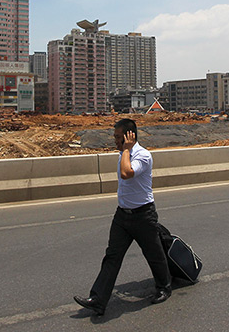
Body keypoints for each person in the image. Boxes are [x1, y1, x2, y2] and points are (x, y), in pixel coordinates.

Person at [74, 118, 171, 315]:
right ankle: (98, 300)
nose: (115, 141)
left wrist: (126, 149)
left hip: (143, 215)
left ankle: (164, 287)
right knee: (112, 256)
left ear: (130, 136)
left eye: (119, 137)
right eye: (115, 137)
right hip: (122, 216)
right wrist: (124, 150)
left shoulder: (142, 155)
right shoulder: (123, 154)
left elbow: (127, 173)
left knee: (154, 254)